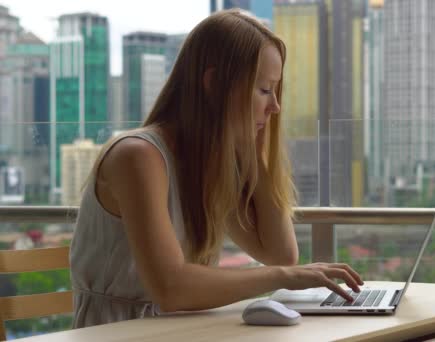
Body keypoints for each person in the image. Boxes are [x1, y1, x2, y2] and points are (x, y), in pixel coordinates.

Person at [70, 9, 363, 328]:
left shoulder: (207, 165)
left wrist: (254, 150)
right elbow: (171, 287)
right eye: (264, 90)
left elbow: (280, 254)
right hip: (119, 334)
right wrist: (284, 277)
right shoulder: (138, 157)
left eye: (275, 92)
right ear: (214, 85)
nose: (275, 107)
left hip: (184, 330)